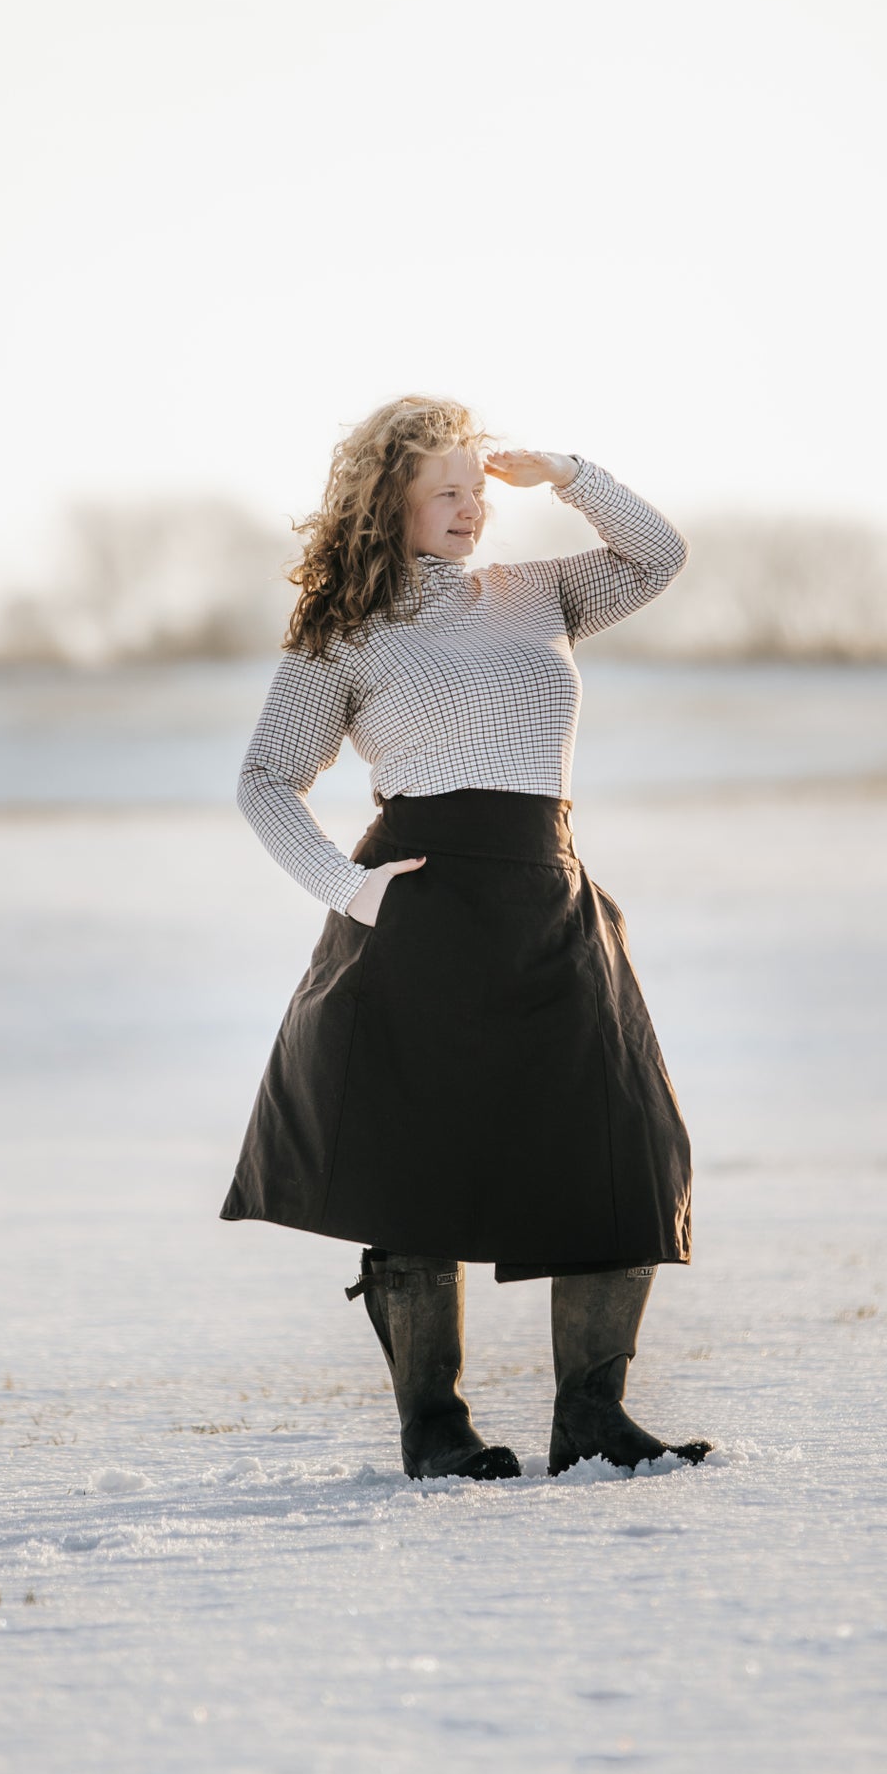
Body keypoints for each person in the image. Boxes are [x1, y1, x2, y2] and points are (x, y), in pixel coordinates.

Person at [220, 395, 708, 1481]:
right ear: (383, 497)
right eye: (442, 488)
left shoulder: (537, 594)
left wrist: (570, 472)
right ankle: (434, 1429)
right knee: (415, 1166)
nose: (468, 507)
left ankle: (592, 1418)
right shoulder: (341, 633)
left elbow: (659, 552)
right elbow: (264, 779)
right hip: (423, 907)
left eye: (473, 488)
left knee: (622, 1148)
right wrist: (348, 892)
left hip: (549, 892)